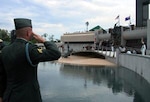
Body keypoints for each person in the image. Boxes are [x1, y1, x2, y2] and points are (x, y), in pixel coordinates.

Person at [0, 18, 61, 102]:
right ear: (29, 32)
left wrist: (1, 95)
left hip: (9, 96)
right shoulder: (30, 49)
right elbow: (55, 53)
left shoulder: (5, 50)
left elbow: (2, 76)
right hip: (29, 97)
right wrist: (43, 40)